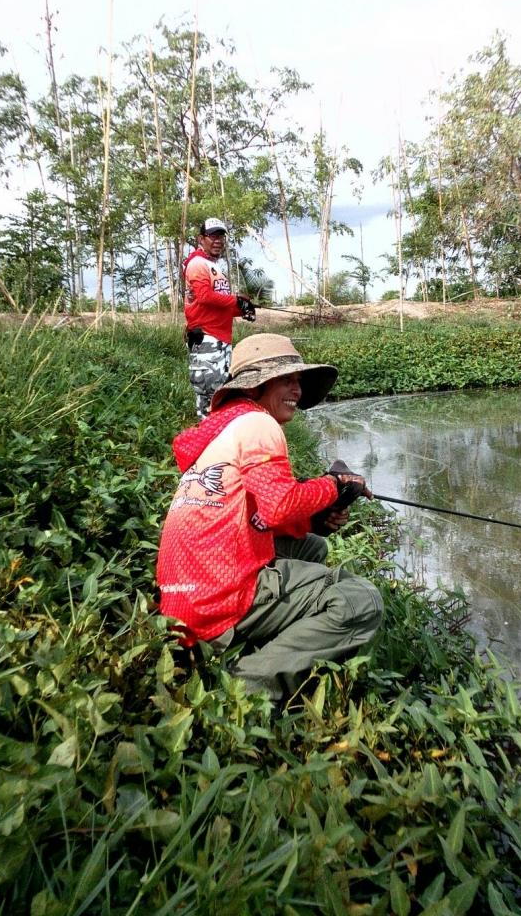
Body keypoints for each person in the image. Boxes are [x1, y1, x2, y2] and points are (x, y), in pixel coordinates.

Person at [156, 333, 384, 705]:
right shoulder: (260, 426)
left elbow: (257, 514)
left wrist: (315, 519)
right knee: (362, 601)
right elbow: (279, 506)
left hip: (180, 601)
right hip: (213, 602)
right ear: (258, 384)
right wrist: (333, 484)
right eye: (287, 379)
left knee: (311, 546)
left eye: (299, 380)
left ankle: (270, 636)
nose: (297, 389)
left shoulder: (224, 429)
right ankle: (241, 690)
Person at [183, 217, 256, 419]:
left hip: (222, 339)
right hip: (207, 338)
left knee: (221, 395)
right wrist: (235, 301)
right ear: (201, 239)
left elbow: (219, 305)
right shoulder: (197, 264)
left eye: (221, 236)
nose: (218, 241)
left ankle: (218, 443)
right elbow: (204, 296)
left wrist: (242, 309)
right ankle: (205, 445)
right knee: (209, 398)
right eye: (213, 236)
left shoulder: (215, 267)